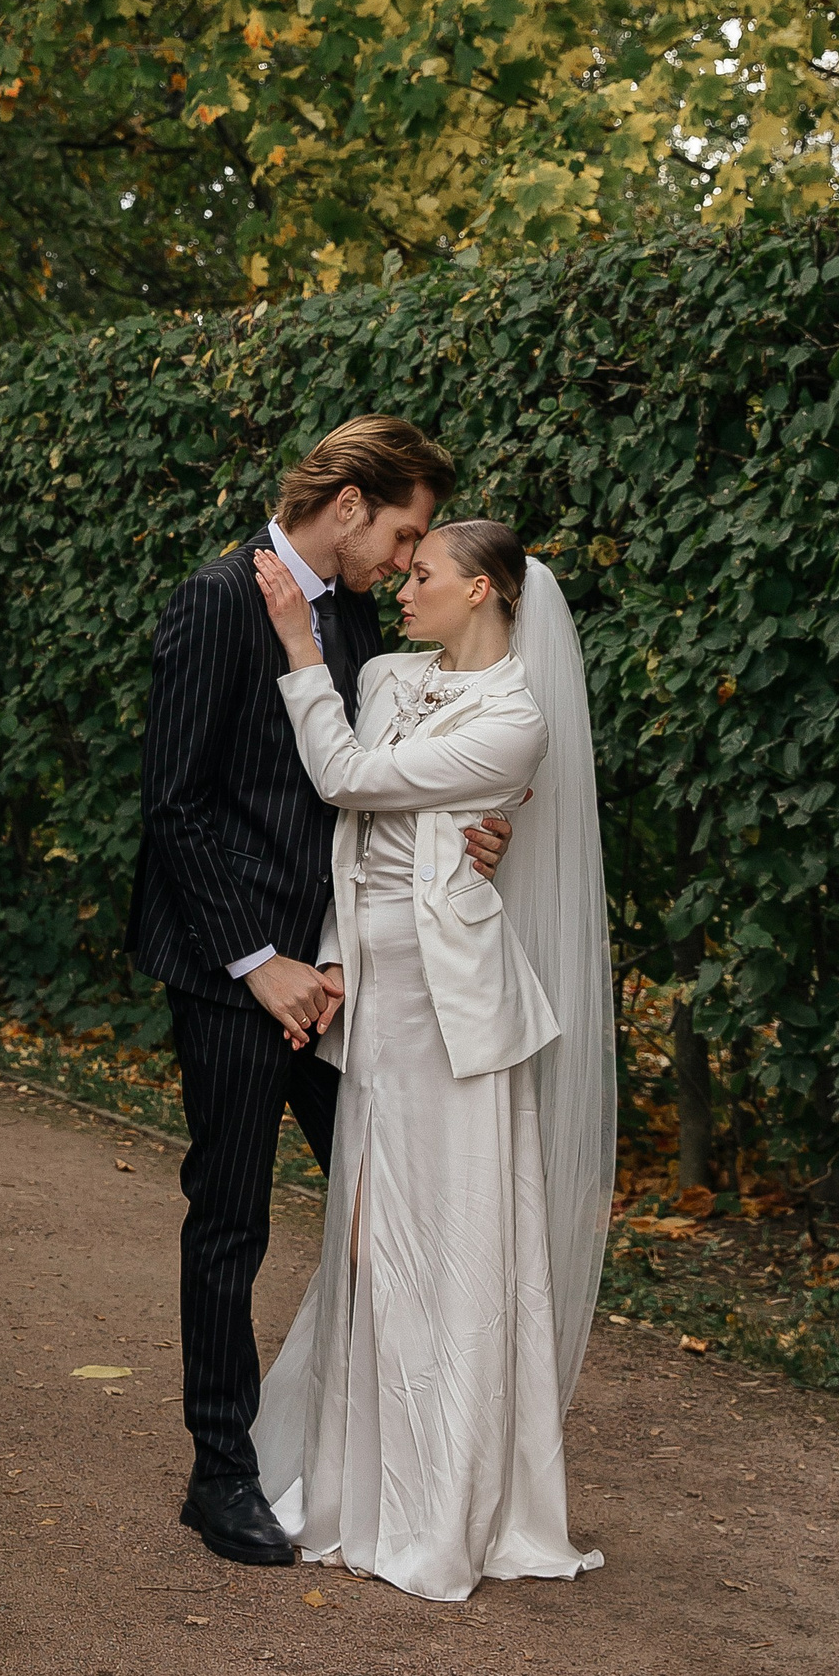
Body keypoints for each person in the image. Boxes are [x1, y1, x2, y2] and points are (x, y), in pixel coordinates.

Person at [127, 416, 514, 1567]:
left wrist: (481, 829)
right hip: (235, 974)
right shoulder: (214, 601)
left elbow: (389, 772)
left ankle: (385, 1459)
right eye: (401, 534)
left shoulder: (351, 617)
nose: (405, 560)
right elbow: (174, 806)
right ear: (349, 505)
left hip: (353, 981)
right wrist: (261, 963)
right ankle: (221, 1473)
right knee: (231, 1221)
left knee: (384, 1213)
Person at [250, 520, 616, 1602]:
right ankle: (361, 1492)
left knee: (454, 1237)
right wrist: (333, 959)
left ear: (485, 590)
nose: (402, 591)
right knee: (372, 1233)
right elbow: (356, 848)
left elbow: (347, 780)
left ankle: (443, 1505)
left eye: (423, 576)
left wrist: (300, 647)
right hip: (376, 994)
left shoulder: (514, 721)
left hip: (452, 1009)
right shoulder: (390, 678)